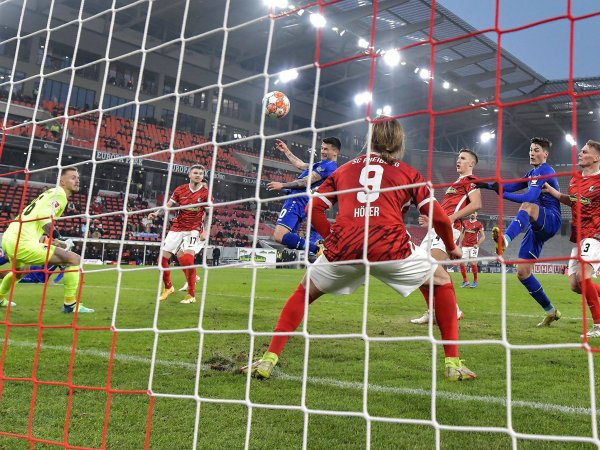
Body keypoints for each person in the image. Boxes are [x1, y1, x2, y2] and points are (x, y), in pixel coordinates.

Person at [242, 117, 476, 381]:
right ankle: (453, 364)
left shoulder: (343, 170)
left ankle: (268, 360)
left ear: (369, 140)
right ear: (399, 142)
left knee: (304, 291)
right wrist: (452, 248)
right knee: (442, 281)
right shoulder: (408, 172)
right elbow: (441, 218)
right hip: (389, 246)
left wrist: (332, 240)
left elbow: (313, 209)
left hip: (345, 246)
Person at [477, 137, 562, 327]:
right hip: (537, 226)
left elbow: (531, 196)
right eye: (531, 149)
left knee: (528, 205)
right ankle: (551, 311)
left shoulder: (546, 170)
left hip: (552, 219)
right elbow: (511, 185)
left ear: (545, 154)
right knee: (523, 272)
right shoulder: (532, 172)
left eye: (537, 149)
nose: (532, 152)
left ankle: (505, 240)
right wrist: (488, 185)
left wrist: (502, 194)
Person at [0, 167, 94, 313]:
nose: (77, 180)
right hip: (21, 242)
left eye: (78, 178)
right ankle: (70, 305)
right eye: (73, 177)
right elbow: (43, 217)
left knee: (20, 272)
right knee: (74, 259)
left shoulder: (50, 193)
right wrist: (60, 238)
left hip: (9, 237)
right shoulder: (60, 195)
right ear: (62, 182)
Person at [410, 149, 482, 324]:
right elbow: (447, 210)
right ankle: (433, 311)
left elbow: (477, 204)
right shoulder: (456, 183)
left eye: (463, 158)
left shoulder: (471, 181)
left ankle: (454, 310)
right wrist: (433, 222)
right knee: (418, 269)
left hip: (450, 228)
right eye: (458, 158)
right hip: (438, 228)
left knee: (432, 268)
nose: (459, 161)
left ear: (471, 163)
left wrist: (450, 219)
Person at [543, 140, 600, 337]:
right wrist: (553, 192)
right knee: (575, 285)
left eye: (584, 152)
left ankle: (598, 326)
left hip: (596, 234)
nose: (580, 154)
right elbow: (572, 200)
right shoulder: (575, 178)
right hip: (579, 236)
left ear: (596, 157)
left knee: (584, 278)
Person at [267, 137, 341, 255]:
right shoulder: (321, 164)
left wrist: (282, 185)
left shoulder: (329, 166)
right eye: (322, 148)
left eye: (326, 149)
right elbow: (300, 164)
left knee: (279, 236)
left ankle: (317, 249)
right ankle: (317, 250)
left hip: (297, 200)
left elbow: (306, 182)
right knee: (287, 237)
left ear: (335, 152)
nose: (322, 151)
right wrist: (287, 151)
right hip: (301, 201)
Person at [149, 165, 210, 304]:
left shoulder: (206, 194)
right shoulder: (180, 190)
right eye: (195, 172)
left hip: (193, 228)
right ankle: (168, 287)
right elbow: (168, 205)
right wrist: (157, 213)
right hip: (177, 227)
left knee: (188, 260)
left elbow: (209, 213)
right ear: (189, 174)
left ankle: (191, 294)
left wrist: (205, 230)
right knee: (162, 259)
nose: (198, 175)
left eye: (200, 173)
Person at [458, 212, 485, 288]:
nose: (472, 214)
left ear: (476, 214)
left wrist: (477, 244)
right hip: (465, 246)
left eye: (474, 213)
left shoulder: (479, 224)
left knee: (473, 263)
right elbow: (462, 234)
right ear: (469, 214)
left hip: (473, 246)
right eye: (471, 213)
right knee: (462, 263)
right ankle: (465, 281)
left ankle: (475, 281)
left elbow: (483, 237)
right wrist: (460, 243)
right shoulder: (465, 223)